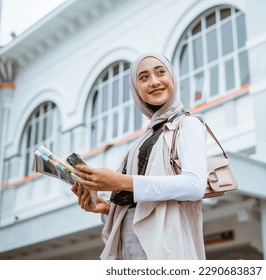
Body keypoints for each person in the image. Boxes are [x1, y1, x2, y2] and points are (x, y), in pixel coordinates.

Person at [71, 53, 208, 260]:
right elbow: (144, 204)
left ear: (172, 77)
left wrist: (120, 181)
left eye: (160, 72)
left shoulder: (188, 124)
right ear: (136, 90)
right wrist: (108, 207)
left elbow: (195, 185)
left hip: (164, 247)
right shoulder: (145, 137)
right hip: (131, 244)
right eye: (143, 77)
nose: (154, 82)